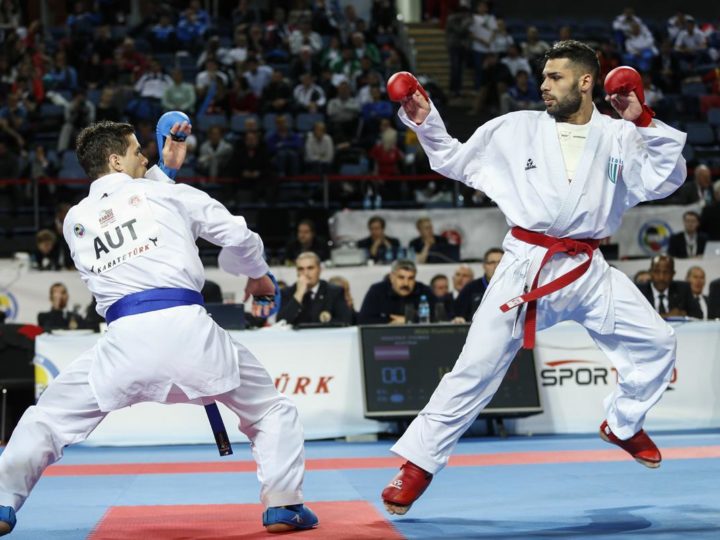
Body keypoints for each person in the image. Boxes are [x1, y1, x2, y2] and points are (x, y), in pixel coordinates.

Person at [381, 42, 687, 515]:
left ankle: (623, 424)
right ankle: (417, 465)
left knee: (658, 343)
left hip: (588, 268)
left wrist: (643, 119)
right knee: (476, 366)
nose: (543, 85)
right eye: (542, 76)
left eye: (555, 77)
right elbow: (456, 162)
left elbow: (668, 178)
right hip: (527, 264)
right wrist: (426, 119)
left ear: (586, 82)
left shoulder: (620, 135)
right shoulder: (516, 129)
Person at [0, 120, 317, 535]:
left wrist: (163, 169)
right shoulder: (170, 195)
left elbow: (132, 203)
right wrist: (256, 275)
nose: (145, 156)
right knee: (272, 410)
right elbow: (238, 235)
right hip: (190, 334)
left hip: (122, 345)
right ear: (116, 159)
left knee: (46, 419)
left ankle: (4, 500)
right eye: (137, 151)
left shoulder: (75, 220)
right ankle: (283, 504)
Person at [276, 252, 352, 326]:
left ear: (319, 270)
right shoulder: (287, 293)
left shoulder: (334, 292)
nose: (305, 273)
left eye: (310, 268)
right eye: (301, 269)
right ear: (297, 272)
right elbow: (280, 323)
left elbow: (345, 321)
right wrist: (299, 294)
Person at [358, 259, 436, 324]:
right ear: (391, 277)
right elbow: (364, 320)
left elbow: (439, 317)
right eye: (401, 277)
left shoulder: (424, 291)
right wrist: (391, 322)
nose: (406, 283)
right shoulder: (377, 290)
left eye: (411, 278)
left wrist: (408, 320)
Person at [637, 255, 702, 319]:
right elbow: (635, 318)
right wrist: (668, 316)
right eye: (657, 272)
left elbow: (698, 315)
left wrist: (685, 315)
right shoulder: (639, 291)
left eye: (666, 272)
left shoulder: (683, 289)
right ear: (650, 272)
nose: (661, 277)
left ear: (673, 274)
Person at [453, 247, 503, 322]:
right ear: (484, 266)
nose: (496, 266)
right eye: (492, 262)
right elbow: (457, 315)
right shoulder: (470, 288)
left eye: (501, 262)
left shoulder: (516, 287)